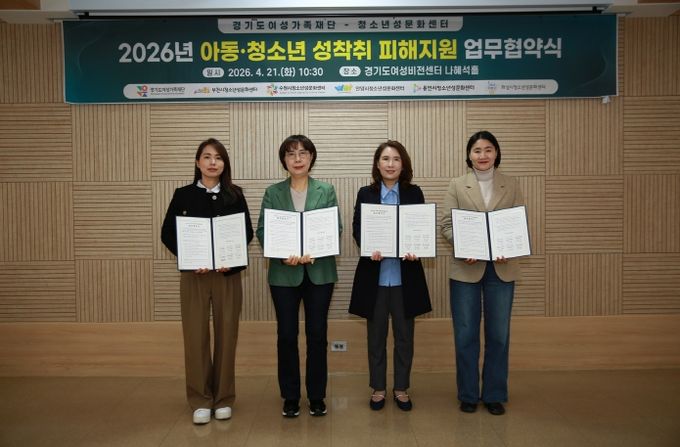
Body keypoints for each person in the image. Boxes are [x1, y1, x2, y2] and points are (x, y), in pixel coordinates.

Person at [161, 138, 254, 424]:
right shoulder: (183, 195)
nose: (213, 162)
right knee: (195, 335)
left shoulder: (234, 194)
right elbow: (168, 233)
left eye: (219, 157)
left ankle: (223, 398)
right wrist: (190, 259)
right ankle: (200, 399)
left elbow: (246, 233)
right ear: (197, 162)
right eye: (207, 157)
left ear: (225, 163)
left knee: (227, 335)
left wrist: (231, 260)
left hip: (227, 276)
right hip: (195, 277)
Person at [256, 135, 341, 418]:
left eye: (303, 153)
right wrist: (281, 254)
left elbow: (335, 228)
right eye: (291, 154)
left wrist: (317, 249)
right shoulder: (273, 192)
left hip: (320, 272)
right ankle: (290, 396)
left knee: (317, 335)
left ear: (312, 157)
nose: (297, 159)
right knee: (286, 335)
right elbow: (263, 230)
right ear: (283, 160)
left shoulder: (326, 190)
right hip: (284, 274)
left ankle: (317, 396)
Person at [441, 130, 525, 416]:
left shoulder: (511, 184)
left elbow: (516, 223)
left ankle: (494, 394)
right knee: (465, 334)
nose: (483, 155)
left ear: (496, 153)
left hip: (501, 268)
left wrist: (508, 247)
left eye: (488, 149)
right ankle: (467, 394)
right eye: (477, 150)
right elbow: (446, 225)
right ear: (469, 155)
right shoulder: (457, 185)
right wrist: (463, 246)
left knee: (499, 334)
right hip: (467, 268)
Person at [349, 140, 432, 412]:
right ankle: (378, 388)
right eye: (385, 159)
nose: (391, 164)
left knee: (404, 337)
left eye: (396, 159)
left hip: (404, 278)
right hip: (375, 277)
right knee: (376, 337)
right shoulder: (366, 193)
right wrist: (367, 246)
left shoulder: (413, 193)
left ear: (403, 164)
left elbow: (420, 226)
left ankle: (401, 388)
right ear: (377, 164)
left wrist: (417, 249)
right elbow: (358, 227)